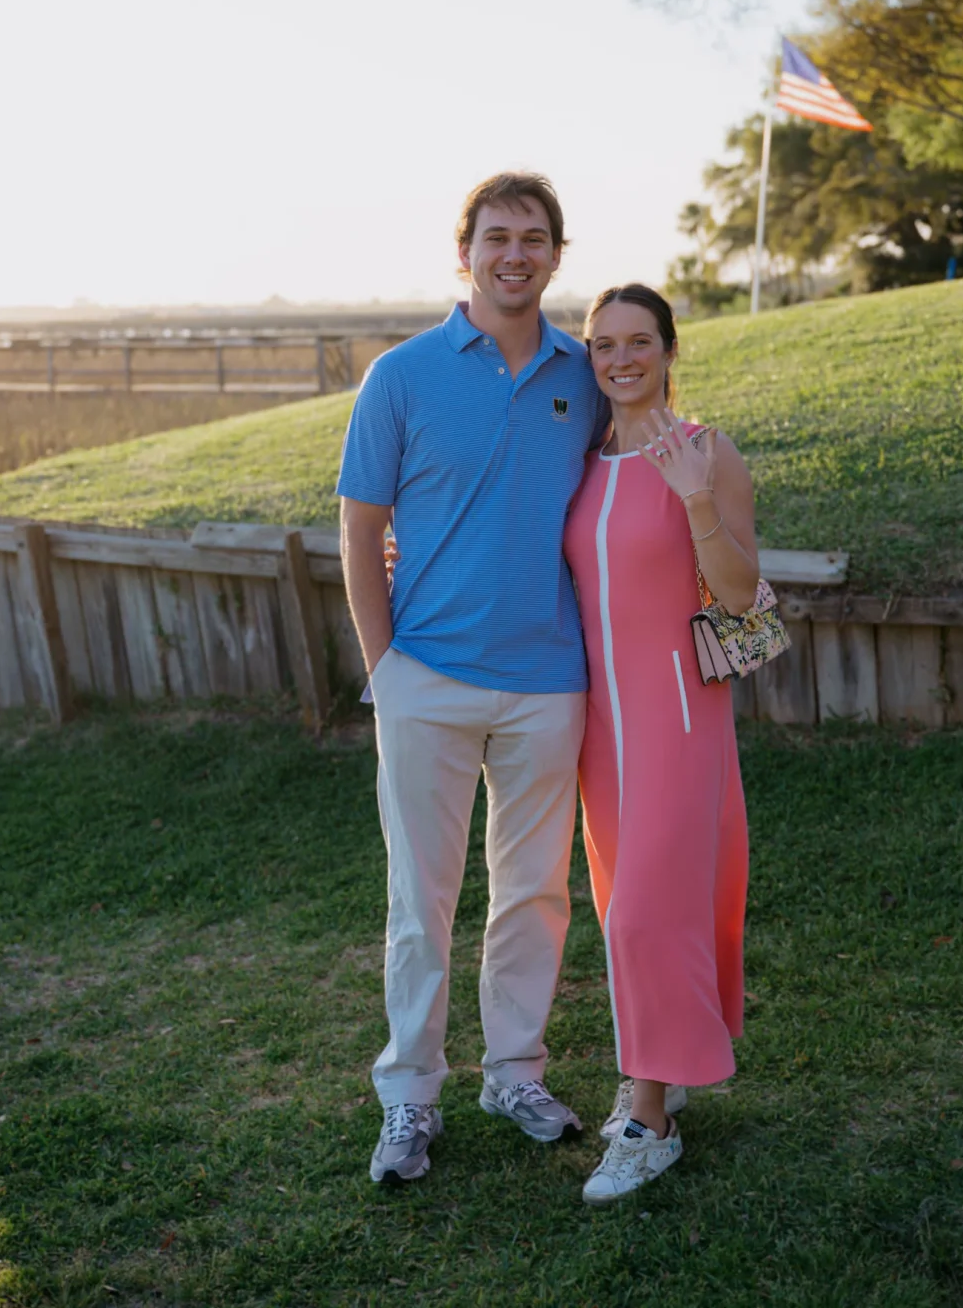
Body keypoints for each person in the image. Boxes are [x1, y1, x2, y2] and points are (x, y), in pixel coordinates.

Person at [336, 173, 608, 1185]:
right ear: (466, 252)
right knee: (422, 899)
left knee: (536, 891)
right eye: (498, 237)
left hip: (548, 680)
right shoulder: (399, 376)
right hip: (427, 679)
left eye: (534, 238)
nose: (515, 254)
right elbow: (361, 531)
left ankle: (513, 1071)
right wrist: (384, 668)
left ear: (553, 254)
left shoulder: (583, 377)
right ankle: (408, 1096)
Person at [562, 283, 757, 1207]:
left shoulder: (707, 452)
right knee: (622, 904)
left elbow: (738, 591)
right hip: (600, 725)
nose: (621, 358)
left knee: (650, 907)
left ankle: (652, 1121)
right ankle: (658, 1063)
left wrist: (694, 502)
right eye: (604, 344)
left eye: (640, 341)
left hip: (681, 717)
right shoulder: (583, 460)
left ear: (671, 350)